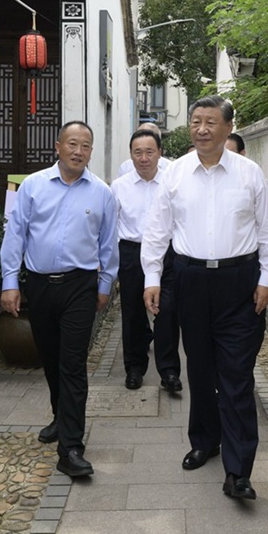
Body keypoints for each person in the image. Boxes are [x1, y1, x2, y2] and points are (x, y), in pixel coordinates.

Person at [142, 95, 268, 501]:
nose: (201, 129)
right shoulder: (176, 174)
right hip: (190, 279)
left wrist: (266, 279)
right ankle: (205, 440)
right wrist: (152, 277)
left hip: (239, 282)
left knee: (236, 374)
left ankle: (239, 471)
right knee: (199, 367)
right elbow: (156, 231)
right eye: (196, 121)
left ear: (227, 127)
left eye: (210, 122)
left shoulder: (249, 174)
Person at [0, 121, 118, 479]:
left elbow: (108, 244)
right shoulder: (33, 186)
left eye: (85, 145)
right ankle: (59, 415)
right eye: (72, 144)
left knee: (72, 363)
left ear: (91, 152)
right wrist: (9, 282)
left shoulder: (102, 193)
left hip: (80, 286)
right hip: (39, 285)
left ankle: (71, 448)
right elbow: (15, 234)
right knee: (50, 359)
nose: (78, 151)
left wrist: (105, 285)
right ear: (58, 146)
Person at [111, 129, 181, 392]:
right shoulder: (119, 186)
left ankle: (170, 371)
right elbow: (111, 226)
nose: (143, 158)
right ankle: (134, 368)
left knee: (167, 312)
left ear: (159, 153)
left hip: (167, 254)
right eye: (137, 152)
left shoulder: (172, 183)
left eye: (149, 152)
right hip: (131, 253)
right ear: (130, 155)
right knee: (132, 313)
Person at [224, 133, 268, 284]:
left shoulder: (252, 176)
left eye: (230, 153)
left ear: (242, 154)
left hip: (245, 264)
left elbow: (267, 222)